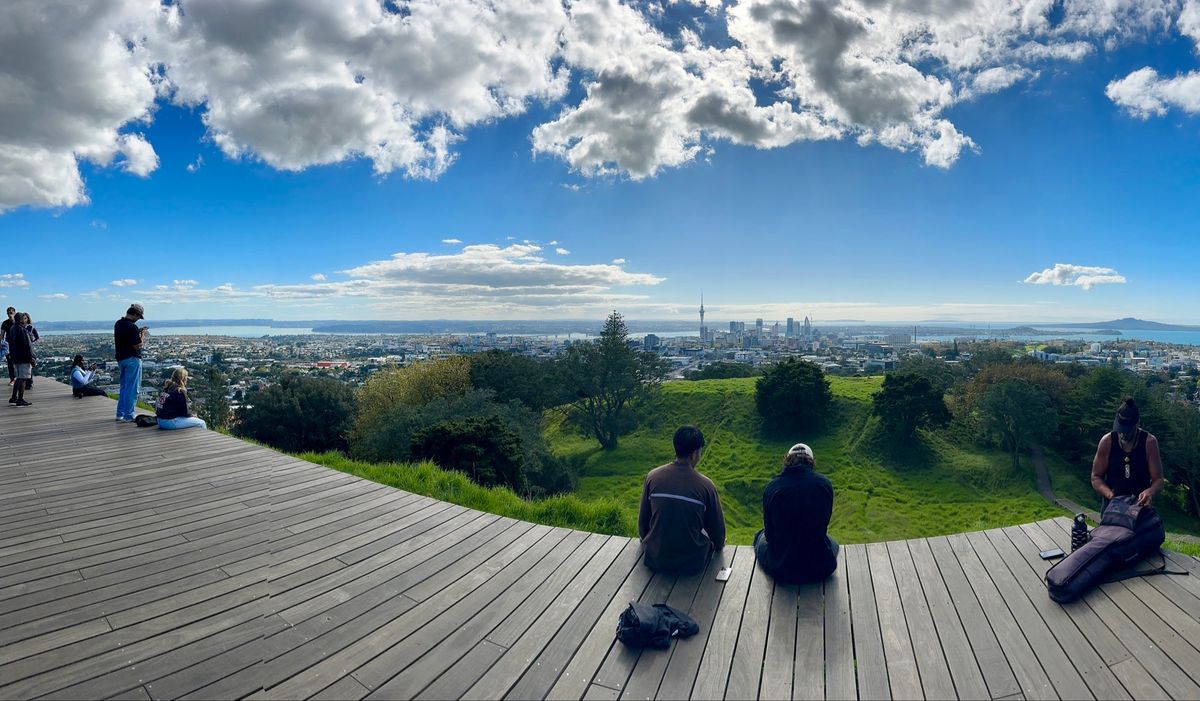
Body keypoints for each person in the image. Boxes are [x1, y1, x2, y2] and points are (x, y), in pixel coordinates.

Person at [637, 425, 725, 574]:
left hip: (655, 558)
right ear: (694, 454)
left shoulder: (653, 476)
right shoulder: (706, 486)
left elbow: (643, 525)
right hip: (692, 563)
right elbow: (718, 536)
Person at [754, 443, 839, 584]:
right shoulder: (825, 485)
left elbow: (769, 535)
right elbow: (824, 526)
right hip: (820, 567)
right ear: (810, 461)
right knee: (832, 542)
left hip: (781, 568)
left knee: (759, 536)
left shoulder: (772, 487)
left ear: (787, 461)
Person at [1091, 397, 1164, 509]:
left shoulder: (1149, 442)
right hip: (1112, 505)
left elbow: (1158, 480)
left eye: (1127, 430)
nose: (1123, 434)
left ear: (1137, 423)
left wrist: (1150, 492)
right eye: (1120, 429)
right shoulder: (1107, 441)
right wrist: (1109, 494)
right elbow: (1096, 477)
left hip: (1140, 505)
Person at [114, 303, 148, 423]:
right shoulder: (132, 327)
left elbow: (125, 338)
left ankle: (120, 413)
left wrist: (136, 333)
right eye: (138, 317)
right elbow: (137, 345)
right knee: (133, 388)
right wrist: (142, 335)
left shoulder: (118, 324)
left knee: (124, 387)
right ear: (134, 314)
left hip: (121, 359)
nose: (138, 319)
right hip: (132, 359)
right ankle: (129, 415)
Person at [6, 313, 35, 407]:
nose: (25, 319)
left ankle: (14, 397)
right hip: (24, 358)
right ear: (21, 319)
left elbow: (10, 343)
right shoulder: (22, 330)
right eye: (23, 318)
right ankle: (20, 399)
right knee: (23, 379)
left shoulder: (12, 329)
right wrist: (31, 358)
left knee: (18, 378)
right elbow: (26, 346)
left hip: (16, 357)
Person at [2, 307, 15, 386]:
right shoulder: (5, 323)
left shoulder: (17, 322)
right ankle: (12, 379)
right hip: (8, 345)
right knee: (10, 363)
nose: (9, 314)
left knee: (19, 362)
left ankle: (21, 379)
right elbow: (2, 334)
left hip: (17, 345)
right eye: (8, 313)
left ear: (14, 312)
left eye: (10, 313)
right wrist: (2, 343)